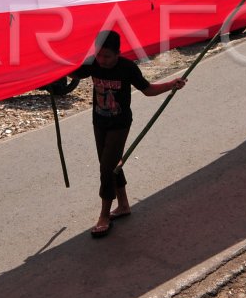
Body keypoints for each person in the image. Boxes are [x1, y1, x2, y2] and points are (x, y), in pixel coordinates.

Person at [69, 30, 187, 238]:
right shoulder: (93, 63)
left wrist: (171, 85)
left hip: (120, 124)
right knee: (112, 164)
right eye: (99, 55)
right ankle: (123, 205)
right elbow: (71, 73)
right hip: (99, 122)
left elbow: (147, 90)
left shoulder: (127, 68)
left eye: (107, 56)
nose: (102, 60)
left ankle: (104, 216)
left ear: (118, 53)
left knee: (107, 168)